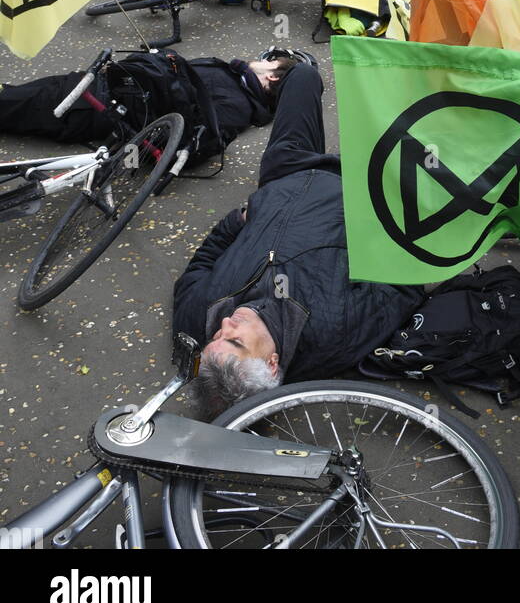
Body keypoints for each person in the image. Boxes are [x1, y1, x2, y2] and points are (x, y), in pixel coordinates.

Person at [173, 61, 423, 413]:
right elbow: (405, 287)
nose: (224, 324)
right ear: (272, 363)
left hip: (286, 171)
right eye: (235, 340)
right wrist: (377, 221)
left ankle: (259, 75)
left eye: (215, 338)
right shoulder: (334, 334)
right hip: (361, 183)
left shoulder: (198, 317)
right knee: (403, 98)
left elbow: (199, 267)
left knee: (302, 75)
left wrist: (236, 221)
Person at [0, 48, 299, 151]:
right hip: (98, 86)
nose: (260, 59)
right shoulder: (233, 78)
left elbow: (193, 140)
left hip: (95, 105)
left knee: (11, 104)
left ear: (272, 76)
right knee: (14, 97)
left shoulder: (238, 107)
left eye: (269, 61)